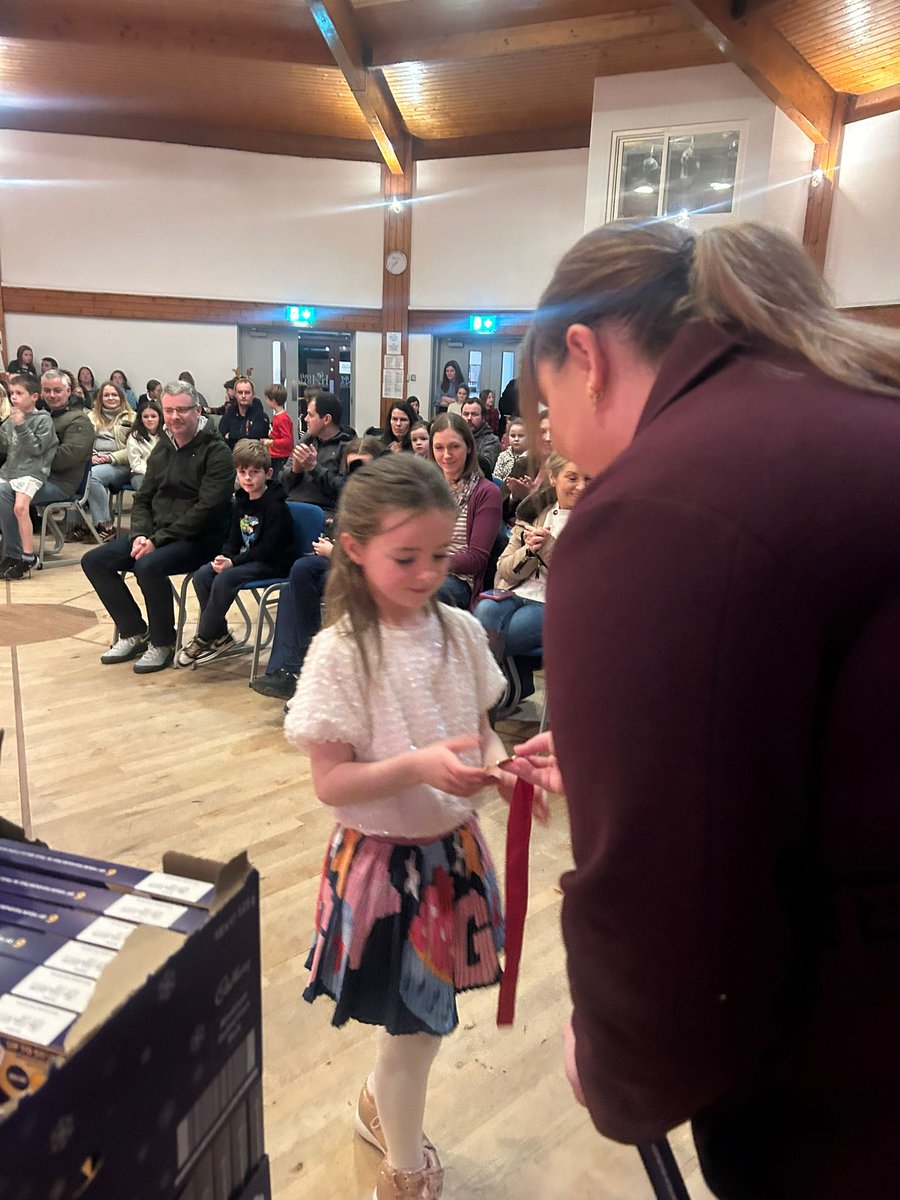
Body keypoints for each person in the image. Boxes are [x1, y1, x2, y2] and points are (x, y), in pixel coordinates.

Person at [506, 219, 900, 1200]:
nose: (559, 446)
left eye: (547, 412)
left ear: (585, 358)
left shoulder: (657, 503)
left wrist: (614, 1061)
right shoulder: (847, 411)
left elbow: (669, 889)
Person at [284, 452, 547, 1200]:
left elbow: (479, 729)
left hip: (453, 858)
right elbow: (330, 781)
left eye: (439, 554)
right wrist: (420, 766)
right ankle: (403, 1169)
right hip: (382, 870)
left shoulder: (463, 632)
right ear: (356, 546)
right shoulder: (341, 652)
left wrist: (502, 766)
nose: (429, 572)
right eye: (407, 557)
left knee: (424, 1026)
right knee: (414, 1030)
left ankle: (378, 1108)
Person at [81, 380, 235, 674]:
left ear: (198, 410)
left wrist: (157, 540)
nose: (175, 417)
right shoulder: (163, 449)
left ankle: (163, 641)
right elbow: (143, 498)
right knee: (95, 560)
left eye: (182, 410)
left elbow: (207, 510)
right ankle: (133, 631)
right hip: (159, 536)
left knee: (147, 566)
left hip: (201, 538)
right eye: (169, 410)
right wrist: (140, 533)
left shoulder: (217, 453)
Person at [250, 437, 383, 700]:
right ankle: (289, 670)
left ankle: (299, 669)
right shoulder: (353, 498)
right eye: (353, 469)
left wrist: (334, 552)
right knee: (296, 578)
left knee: (302, 576)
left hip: (372, 575)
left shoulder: (389, 502)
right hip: (344, 565)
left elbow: (381, 556)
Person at [474, 452, 588, 699]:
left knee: (492, 638)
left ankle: (484, 707)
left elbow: (580, 581)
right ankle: (503, 691)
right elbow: (504, 568)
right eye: (572, 478)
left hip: (556, 604)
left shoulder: (594, 520)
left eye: (588, 479)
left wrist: (547, 547)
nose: (582, 486)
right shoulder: (533, 512)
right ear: (553, 478)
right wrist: (528, 551)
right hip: (515, 591)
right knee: (483, 613)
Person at [177, 440, 293, 667]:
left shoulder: (276, 507)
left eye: (254, 472)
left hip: (273, 563)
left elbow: (267, 549)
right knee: (203, 574)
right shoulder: (240, 502)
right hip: (247, 559)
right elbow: (233, 538)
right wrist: (225, 556)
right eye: (242, 472)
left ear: (268, 473)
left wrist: (234, 563)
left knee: (226, 578)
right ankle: (219, 634)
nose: (248, 478)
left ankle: (203, 637)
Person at [0, 369, 93, 564]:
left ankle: (14, 555)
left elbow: (65, 458)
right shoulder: (36, 415)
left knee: (5, 492)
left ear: (69, 391)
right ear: (40, 393)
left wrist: (28, 453)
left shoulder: (79, 420)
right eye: (47, 390)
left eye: (57, 390)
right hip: (29, 475)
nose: (52, 395)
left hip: (60, 483)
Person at [430, 412, 501, 609]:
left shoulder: (486, 492)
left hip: (458, 582)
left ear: (469, 447)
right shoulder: (426, 487)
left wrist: (432, 563)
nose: (446, 455)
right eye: (439, 448)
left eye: (454, 446)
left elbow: (476, 559)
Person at [0, 375, 58, 579]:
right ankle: (8, 551)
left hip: (33, 471)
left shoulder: (43, 419)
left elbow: (36, 449)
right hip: (10, 471)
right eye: (11, 394)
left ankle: (27, 555)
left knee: (20, 507)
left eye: (19, 393)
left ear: (34, 396)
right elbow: (5, 446)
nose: (13, 397)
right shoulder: (9, 419)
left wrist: (22, 425)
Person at [281, 392, 352, 517]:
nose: (305, 419)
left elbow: (343, 490)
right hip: (291, 507)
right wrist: (295, 471)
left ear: (326, 419)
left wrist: (314, 468)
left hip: (322, 513)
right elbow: (283, 483)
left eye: (310, 415)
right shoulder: (306, 441)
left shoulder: (346, 447)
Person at [83, 380, 134, 541]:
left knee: (93, 476)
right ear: (100, 398)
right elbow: (82, 442)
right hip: (94, 460)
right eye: (106, 395)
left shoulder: (133, 418)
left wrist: (109, 457)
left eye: (114, 395)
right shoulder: (91, 417)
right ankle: (79, 526)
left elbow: (134, 450)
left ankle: (105, 526)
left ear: (121, 397)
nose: (110, 398)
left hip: (121, 464)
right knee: (77, 472)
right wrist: (91, 455)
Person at [218, 376, 270, 451]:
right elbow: (220, 437)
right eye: (240, 392)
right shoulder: (229, 414)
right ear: (235, 394)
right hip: (230, 456)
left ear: (253, 395)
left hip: (254, 457)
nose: (243, 396)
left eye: (247, 392)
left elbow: (255, 441)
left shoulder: (261, 417)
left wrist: (230, 435)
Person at [460, 396, 501, 477]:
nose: (469, 418)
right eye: (465, 414)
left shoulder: (492, 440)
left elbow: (485, 466)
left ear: (483, 417)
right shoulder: (456, 437)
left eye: (474, 414)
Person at [126, 399, 162, 489]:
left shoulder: (167, 434)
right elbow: (136, 464)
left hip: (162, 473)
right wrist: (152, 474)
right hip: (140, 474)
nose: (149, 419)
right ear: (141, 419)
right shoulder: (134, 436)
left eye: (153, 416)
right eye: (145, 417)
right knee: (146, 489)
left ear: (160, 417)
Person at [261, 383, 294, 474]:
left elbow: (287, 440)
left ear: (273, 401)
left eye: (267, 398)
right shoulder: (278, 417)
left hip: (281, 458)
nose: (266, 401)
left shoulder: (282, 418)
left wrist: (271, 442)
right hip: (275, 456)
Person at [492, 416, 527, 482]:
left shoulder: (532, 458)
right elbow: (496, 478)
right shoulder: (503, 456)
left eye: (521, 436)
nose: (516, 439)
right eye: (513, 436)